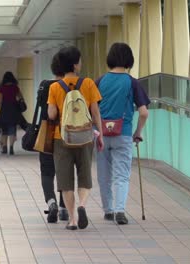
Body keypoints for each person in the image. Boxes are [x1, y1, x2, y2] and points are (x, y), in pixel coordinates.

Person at [47, 46, 104, 230]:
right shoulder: (88, 83)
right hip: (85, 136)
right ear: (75, 64)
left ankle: (72, 220)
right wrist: (100, 134)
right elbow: (95, 112)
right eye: (79, 60)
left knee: (65, 181)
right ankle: (82, 206)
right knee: (84, 175)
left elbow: (52, 114)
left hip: (61, 137)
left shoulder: (55, 87)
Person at [95, 43, 150, 225]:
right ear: (129, 60)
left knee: (104, 174)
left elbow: (90, 108)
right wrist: (137, 132)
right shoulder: (132, 82)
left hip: (101, 135)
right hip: (123, 134)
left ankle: (108, 210)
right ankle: (120, 211)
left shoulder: (100, 81)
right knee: (121, 174)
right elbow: (143, 112)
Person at [40, 54, 68, 223]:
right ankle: (65, 208)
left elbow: (43, 112)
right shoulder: (72, 86)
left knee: (47, 171)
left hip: (47, 134)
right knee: (65, 171)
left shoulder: (45, 85)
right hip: (67, 134)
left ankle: (52, 203)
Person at [0, 71, 24, 155]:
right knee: (12, 129)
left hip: (4, 110)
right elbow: (21, 98)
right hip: (13, 110)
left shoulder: (2, 88)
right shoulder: (15, 88)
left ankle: (4, 147)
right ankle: (11, 147)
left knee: (4, 130)